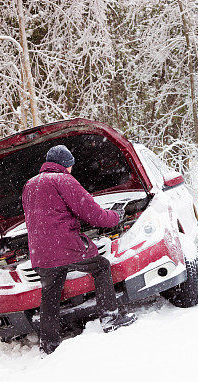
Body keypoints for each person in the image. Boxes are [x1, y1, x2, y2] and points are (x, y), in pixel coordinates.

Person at [22, 144, 136, 354]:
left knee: (50, 295)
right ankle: (111, 318)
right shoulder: (63, 180)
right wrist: (115, 217)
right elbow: (92, 213)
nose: (72, 169)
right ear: (66, 164)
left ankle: (48, 344)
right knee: (101, 267)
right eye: (71, 165)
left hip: (40, 252)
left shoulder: (30, 184)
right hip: (65, 246)